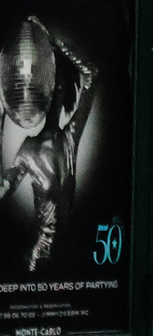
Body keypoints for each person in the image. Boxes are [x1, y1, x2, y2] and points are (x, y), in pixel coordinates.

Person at [0, 16, 97, 273]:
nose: (58, 93)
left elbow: (91, 75)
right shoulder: (28, 149)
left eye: (61, 87)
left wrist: (54, 41)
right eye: (53, 88)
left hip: (70, 256)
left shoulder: (69, 138)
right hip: (40, 257)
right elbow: (2, 191)